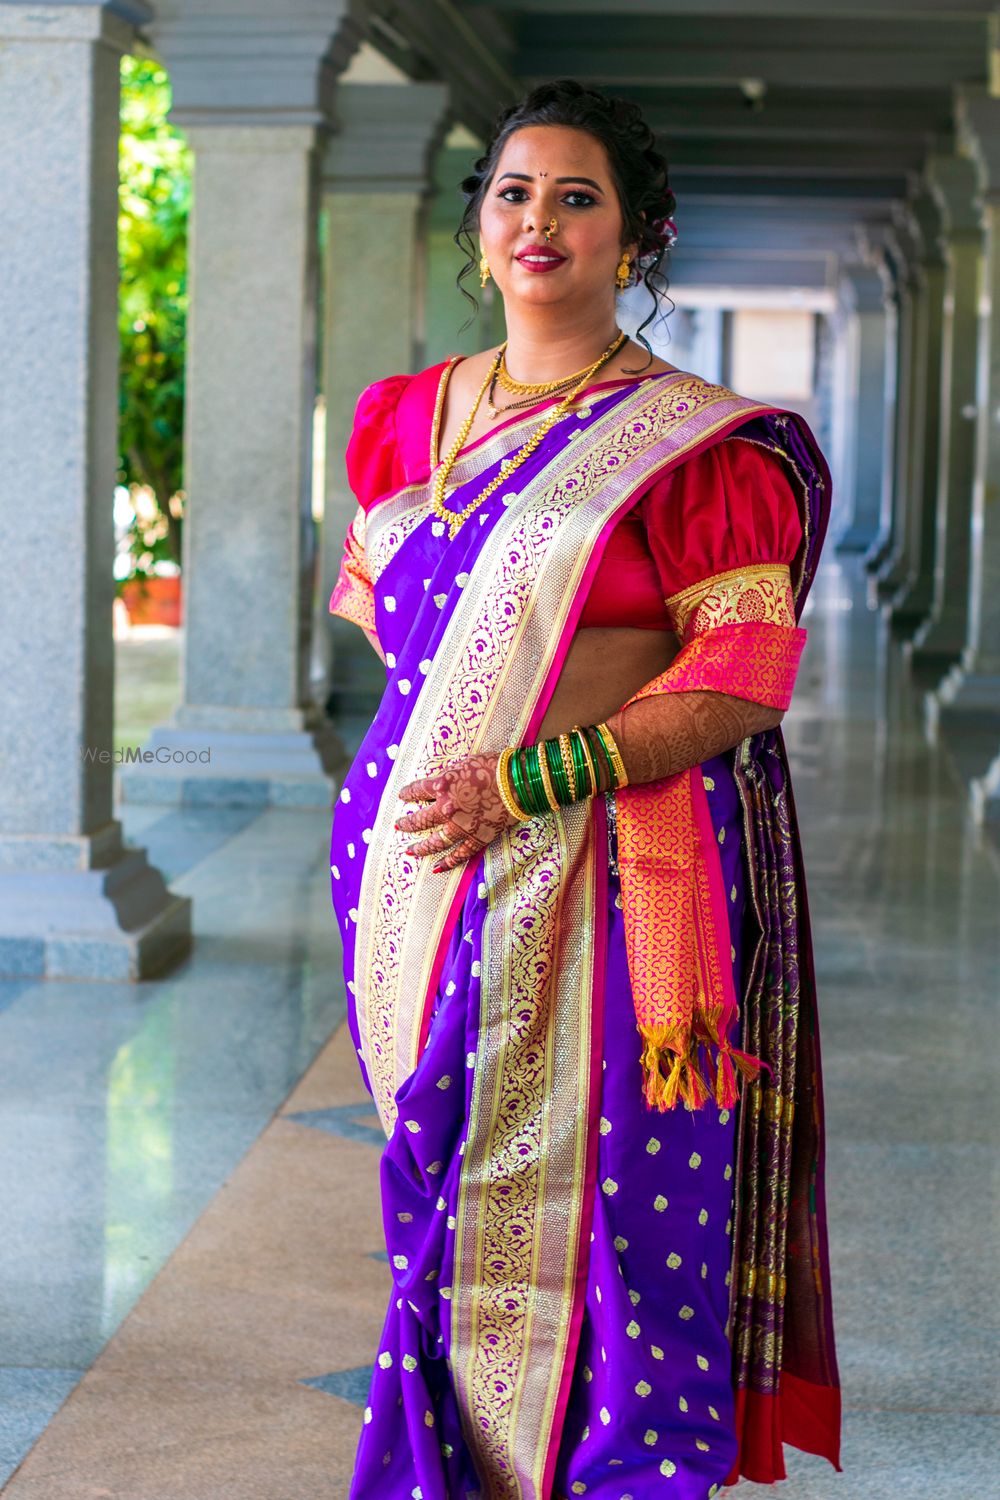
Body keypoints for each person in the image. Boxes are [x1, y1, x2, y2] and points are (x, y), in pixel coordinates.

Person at [328, 78, 841, 1500]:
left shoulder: (704, 447)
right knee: (442, 1182)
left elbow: (735, 680)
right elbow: (389, 619)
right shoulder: (403, 419)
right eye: (513, 193)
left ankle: (616, 1472)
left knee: (612, 1204)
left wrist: (536, 767)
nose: (538, 219)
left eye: (576, 196)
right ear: (478, 230)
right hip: (413, 880)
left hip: (613, 873)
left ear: (637, 238)